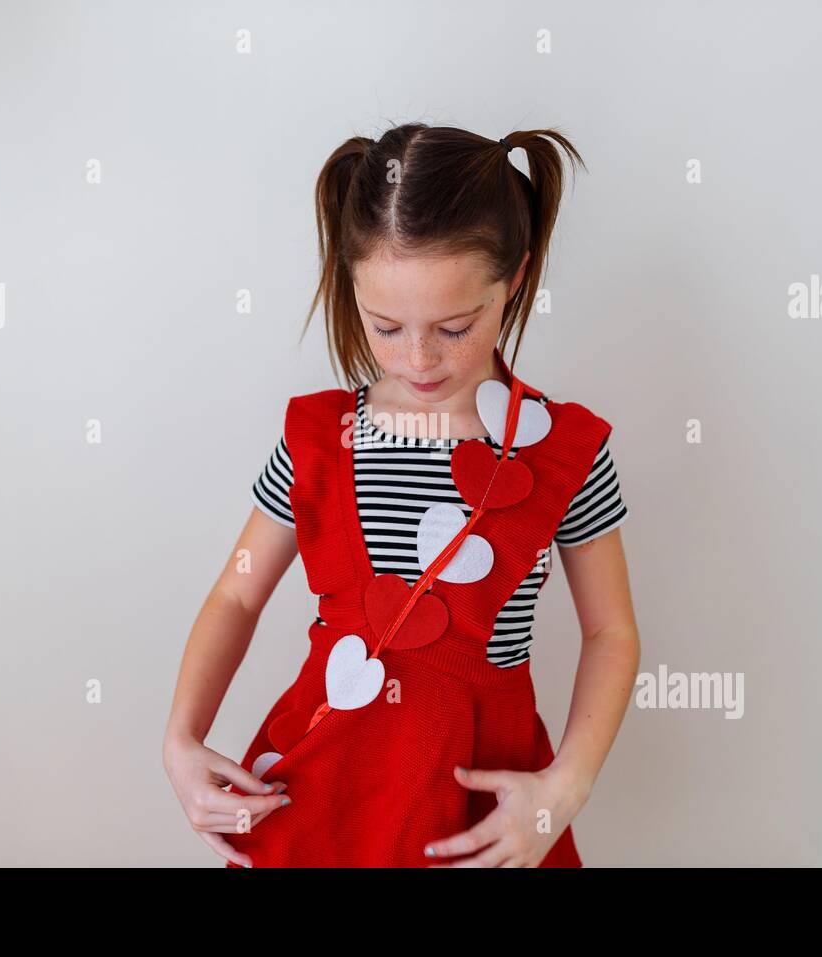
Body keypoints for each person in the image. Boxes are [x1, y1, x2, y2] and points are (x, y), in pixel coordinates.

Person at [161, 124, 640, 867]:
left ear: (513, 281)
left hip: (482, 821)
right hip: (320, 802)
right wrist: (181, 739)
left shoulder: (566, 452)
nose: (418, 359)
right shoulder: (317, 438)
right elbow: (237, 596)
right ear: (350, 287)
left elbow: (610, 632)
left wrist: (564, 788)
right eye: (385, 326)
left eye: (456, 326)